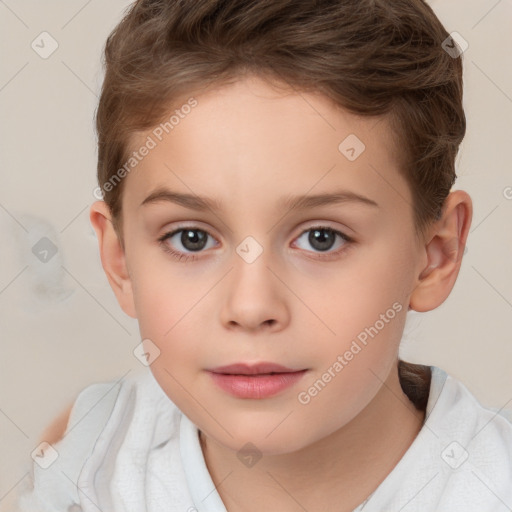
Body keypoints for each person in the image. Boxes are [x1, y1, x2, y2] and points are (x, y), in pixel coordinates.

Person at [14, 0, 512, 511]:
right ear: (120, 260)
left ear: (435, 255)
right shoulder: (86, 465)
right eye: (191, 238)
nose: (251, 307)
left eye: (322, 238)